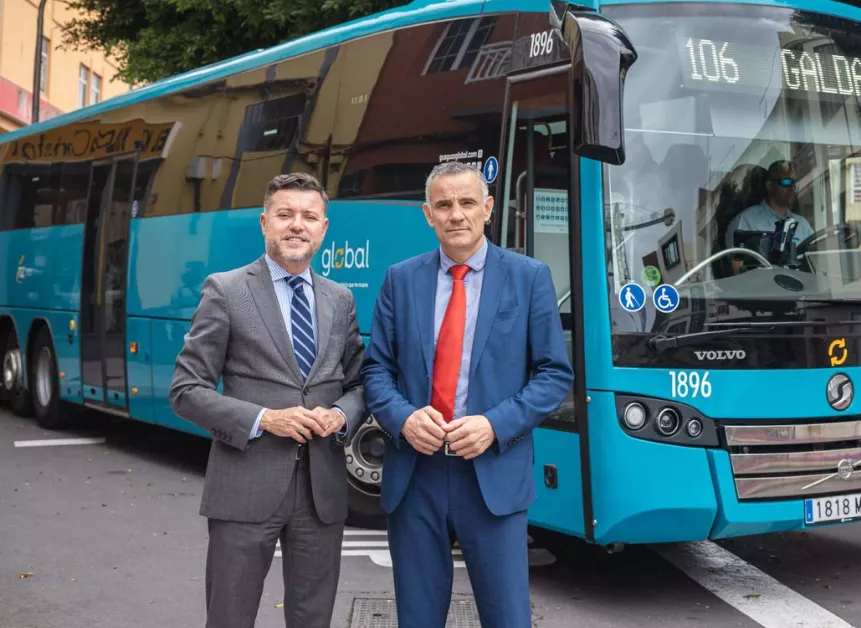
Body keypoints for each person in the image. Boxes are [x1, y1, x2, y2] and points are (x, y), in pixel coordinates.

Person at [361, 160, 573, 627]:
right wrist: (403, 418)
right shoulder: (401, 279)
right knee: (417, 617)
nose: (456, 214)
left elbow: (554, 375)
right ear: (427, 214)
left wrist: (494, 425)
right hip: (416, 475)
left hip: (492, 473)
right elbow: (376, 369)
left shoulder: (529, 277)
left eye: (466, 203)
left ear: (488, 209)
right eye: (444, 205)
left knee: (507, 617)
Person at [169, 172, 367, 628]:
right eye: (285, 214)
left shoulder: (340, 300)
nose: (296, 224)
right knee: (229, 618)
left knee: (312, 619)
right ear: (264, 223)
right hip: (244, 488)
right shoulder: (226, 290)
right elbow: (186, 390)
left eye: (308, 216)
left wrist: (340, 415)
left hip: (322, 494)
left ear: (323, 228)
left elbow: (361, 384)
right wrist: (264, 419)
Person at [724, 160, 815, 273]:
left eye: (794, 183)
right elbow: (738, 272)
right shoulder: (746, 221)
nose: (792, 188)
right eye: (786, 182)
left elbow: (817, 260)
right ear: (770, 186)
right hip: (761, 289)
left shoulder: (802, 224)